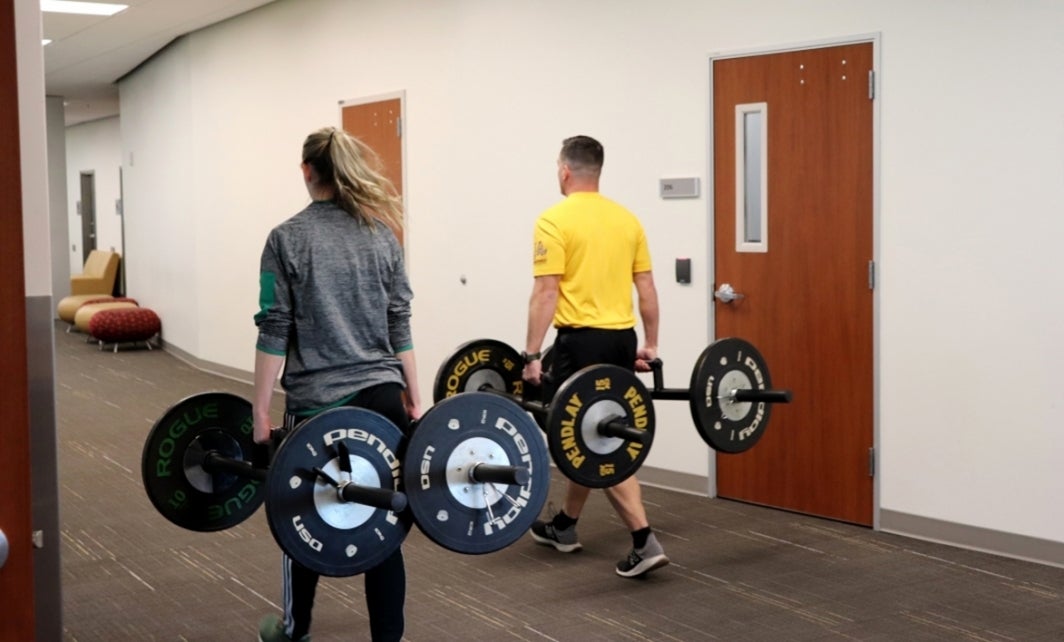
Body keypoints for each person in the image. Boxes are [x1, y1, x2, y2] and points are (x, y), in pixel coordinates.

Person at [252, 126, 421, 642]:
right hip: (383, 399)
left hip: (321, 408)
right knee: (383, 530)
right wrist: (415, 395)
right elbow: (400, 322)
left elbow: (274, 328)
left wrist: (260, 411)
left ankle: (294, 629)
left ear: (307, 171)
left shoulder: (286, 238)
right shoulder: (381, 233)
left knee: (301, 522)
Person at [522, 135, 668, 578]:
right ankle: (565, 525)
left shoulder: (553, 220)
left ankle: (644, 540)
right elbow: (646, 289)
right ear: (597, 171)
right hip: (621, 339)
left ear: (564, 170)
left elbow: (546, 292)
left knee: (595, 439)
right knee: (590, 433)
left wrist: (530, 354)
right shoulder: (627, 220)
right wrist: (651, 345)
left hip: (579, 342)